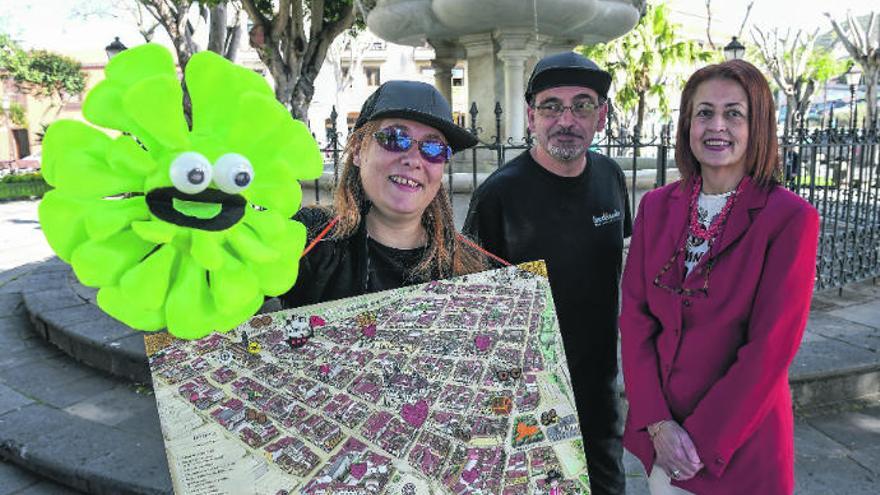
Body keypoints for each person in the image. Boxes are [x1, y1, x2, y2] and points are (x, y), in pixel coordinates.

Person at [619, 60, 820, 494]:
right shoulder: (656, 207)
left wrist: (693, 445)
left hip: (738, 448)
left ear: (758, 126)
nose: (717, 126)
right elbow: (635, 319)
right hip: (663, 438)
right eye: (704, 112)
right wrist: (657, 424)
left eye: (734, 113)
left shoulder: (790, 219)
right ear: (688, 123)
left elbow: (769, 349)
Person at [463, 52, 632, 495]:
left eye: (582, 105)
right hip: (530, 398)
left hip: (600, 392)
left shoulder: (611, 177)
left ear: (602, 115)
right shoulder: (498, 194)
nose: (566, 119)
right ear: (531, 115)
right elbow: (473, 306)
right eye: (551, 106)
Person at [280, 80, 486, 308]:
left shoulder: (470, 265)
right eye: (395, 138)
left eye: (434, 148)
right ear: (358, 149)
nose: (414, 160)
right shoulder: (309, 241)